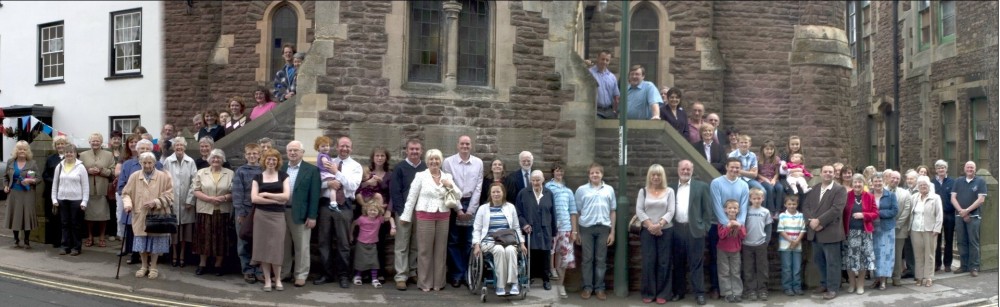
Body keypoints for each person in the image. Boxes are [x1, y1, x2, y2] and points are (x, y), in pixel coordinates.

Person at [400, 149, 460, 292]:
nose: (434, 162)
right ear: (427, 162)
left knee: (440, 251)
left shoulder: (447, 176)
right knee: (425, 251)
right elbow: (411, 198)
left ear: (441, 161)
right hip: (424, 216)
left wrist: (449, 185)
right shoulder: (420, 176)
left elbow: (458, 195)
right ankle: (425, 283)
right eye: (431, 159)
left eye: (437, 159)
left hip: (443, 216)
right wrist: (406, 216)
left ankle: (438, 283)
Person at [314, 136, 363, 289]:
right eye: (342, 146)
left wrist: (337, 173)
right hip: (326, 204)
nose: (344, 148)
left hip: (344, 205)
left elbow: (353, 186)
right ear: (336, 147)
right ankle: (327, 274)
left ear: (351, 148)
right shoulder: (326, 160)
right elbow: (317, 182)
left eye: (347, 146)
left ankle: (343, 275)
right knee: (323, 241)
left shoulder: (356, 166)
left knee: (343, 242)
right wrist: (328, 183)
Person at [122, 152, 174, 280]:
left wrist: (155, 202)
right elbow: (126, 193)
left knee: (155, 242)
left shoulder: (163, 176)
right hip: (140, 214)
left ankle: (154, 267)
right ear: (140, 163)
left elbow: (170, 196)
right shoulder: (134, 176)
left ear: (154, 163)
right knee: (141, 242)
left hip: (157, 215)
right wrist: (128, 204)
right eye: (144, 163)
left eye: (150, 162)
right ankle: (144, 266)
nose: (147, 165)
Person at [668, 160, 713, 305]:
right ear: (678, 170)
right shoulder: (670, 188)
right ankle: (679, 292)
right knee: (678, 263)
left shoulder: (701, 187)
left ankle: (699, 293)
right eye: (683, 169)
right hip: (676, 229)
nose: (685, 171)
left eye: (688, 169)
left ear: (692, 170)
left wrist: (704, 228)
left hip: (695, 230)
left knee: (696, 263)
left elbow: (708, 211)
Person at [441, 135, 483, 288]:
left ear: (471, 146)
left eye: (467, 144)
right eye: (462, 144)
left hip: (471, 202)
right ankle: (456, 274)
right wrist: (459, 209)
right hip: (453, 203)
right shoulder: (448, 162)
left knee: (468, 241)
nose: (465, 146)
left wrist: (471, 209)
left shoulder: (478, 163)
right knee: (453, 240)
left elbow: (479, 187)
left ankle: (467, 273)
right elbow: (449, 185)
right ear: (457, 145)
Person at [472, 183, 527, 296]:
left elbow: (516, 227)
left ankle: (514, 283)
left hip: (508, 241)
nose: (496, 194)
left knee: (511, 250)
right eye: (494, 192)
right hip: (489, 241)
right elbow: (477, 229)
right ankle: (500, 285)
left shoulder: (510, 207)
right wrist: (476, 244)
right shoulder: (483, 209)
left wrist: (522, 243)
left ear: (503, 193)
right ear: (490, 194)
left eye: (498, 192)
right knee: (499, 250)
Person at [802, 165, 848, 300]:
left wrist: (820, 222)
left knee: (832, 262)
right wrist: (811, 222)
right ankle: (824, 284)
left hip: (831, 232)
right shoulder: (814, 189)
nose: (828, 174)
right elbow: (806, 206)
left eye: (830, 172)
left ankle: (833, 288)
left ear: (834, 174)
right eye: (825, 172)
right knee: (819, 260)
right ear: (821, 174)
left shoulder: (839, 190)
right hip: (815, 232)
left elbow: (836, 209)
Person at [280, 141, 321, 287]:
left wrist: (312, 216)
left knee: (302, 246)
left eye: (296, 150)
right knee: (283, 246)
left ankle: (301, 275)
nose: (292, 153)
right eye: (290, 150)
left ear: (302, 152)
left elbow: (314, 195)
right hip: (281, 213)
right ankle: (284, 273)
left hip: (301, 214)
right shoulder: (281, 168)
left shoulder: (311, 170)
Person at [574, 162, 616, 301]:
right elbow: (577, 212)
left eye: (597, 172)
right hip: (586, 228)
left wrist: (612, 232)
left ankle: (599, 288)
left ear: (602, 174)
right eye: (592, 173)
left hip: (603, 228)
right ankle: (587, 287)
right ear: (589, 175)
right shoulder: (581, 190)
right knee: (587, 259)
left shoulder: (609, 190)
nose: (594, 175)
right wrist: (578, 232)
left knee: (601, 260)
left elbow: (612, 211)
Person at [708, 158, 749, 299]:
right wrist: (727, 223)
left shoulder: (744, 185)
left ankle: (736, 292)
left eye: (737, 168)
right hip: (719, 225)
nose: (734, 170)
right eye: (732, 167)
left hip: (737, 226)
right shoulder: (716, 183)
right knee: (718, 261)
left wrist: (739, 223)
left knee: (735, 265)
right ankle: (720, 290)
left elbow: (743, 206)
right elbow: (717, 205)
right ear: (726, 167)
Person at [635, 164, 675, 304]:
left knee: (664, 262)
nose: (656, 177)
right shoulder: (643, 191)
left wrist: (659, 225)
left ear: (662, 176)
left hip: (666, 230)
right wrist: (651, 226)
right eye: (653, 174)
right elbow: (639, 210)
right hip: (647, 231)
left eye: (658, 174)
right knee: (649, 261)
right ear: (649, 176)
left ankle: (663, 293)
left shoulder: (669, 191)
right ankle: (648, 292)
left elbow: (671, 211)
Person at [251, 148, 290, 292]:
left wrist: (266, 194)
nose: (271, 162)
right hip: (261, 216)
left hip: (278, 217)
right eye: (269, 159)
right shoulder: (257, 177)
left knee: (276, 248)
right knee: (263, 248)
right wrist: (275, 201)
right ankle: (267, 280)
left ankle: (278, 279)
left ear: (278, 161)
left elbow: (286, 197)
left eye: (274, 159)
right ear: (264, 160)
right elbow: (254, 198)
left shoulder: (283, 176)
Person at [190, 149, 234, 276]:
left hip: (223, 210)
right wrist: (210, 199)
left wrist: (224, 198)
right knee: (203, 238)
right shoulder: (201, 172)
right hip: (205, 210)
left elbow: (234, 191)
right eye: (213, 158)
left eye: (218, 158)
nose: (216, 160)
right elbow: (196, 190)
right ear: (209, 160)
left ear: (222, 160)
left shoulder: (230, 173)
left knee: (221, 238)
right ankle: (202, 264)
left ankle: (218, 265)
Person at [118, 138, 162, 263]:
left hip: (152, 205)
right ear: (136, 150)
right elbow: (121, 186)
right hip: (133, 204)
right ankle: (134, 255)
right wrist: (129, 201)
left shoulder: (158, 165)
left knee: (149, 232)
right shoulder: (127, 164)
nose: (144, 151)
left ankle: (149, 258)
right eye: (141, 148)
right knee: (134, 231)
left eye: (147, 149)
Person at [390, 139, 426, 290]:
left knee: (416, 245)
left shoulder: (426, 167)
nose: (414, 152)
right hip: (404, 212)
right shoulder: (400, 168)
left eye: (417, 149)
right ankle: (400, 276)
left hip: (421, 212)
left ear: (421, 151)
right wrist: (401, 212)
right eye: (412, 149)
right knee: (402, 245)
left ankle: (412, 271)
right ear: (407, 150)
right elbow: (395, 192)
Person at [515, 170, 556, 291]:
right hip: (530, 230)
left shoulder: (549, 193)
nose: (535, 182)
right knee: (530, 254)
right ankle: (529, 277)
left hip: (545, 229)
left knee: (545, 255)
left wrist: (554, 232)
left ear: (543, 180)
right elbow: (518, 212)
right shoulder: (523, 193)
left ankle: (546, 279)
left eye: (538, 180)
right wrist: (524, 224)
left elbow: (553, 214)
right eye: (533, 180)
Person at [357, 146, 391, 282]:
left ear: (386, 158)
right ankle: (363, 272)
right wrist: (367, 183)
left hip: (381, 214)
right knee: (363, 244)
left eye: (382, 155)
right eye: (377, 155)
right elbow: (356, 189)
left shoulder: (390, 174)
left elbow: (392, 194)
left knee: (379, 244)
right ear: (373, 157)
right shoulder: (366, 173)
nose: (380, 158)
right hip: (366, 214)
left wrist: (388, 210)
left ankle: (379, 272)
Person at [544, 164, 578, 299]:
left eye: (561, 170)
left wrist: (574, 231)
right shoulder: (547, 187)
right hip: (551, 227)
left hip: (565, 228)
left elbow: (573, 212)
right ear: (553, 172)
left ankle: (560, 286)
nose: (559, 172)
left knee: (563, 259)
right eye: (557, 170)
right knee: (549, 256)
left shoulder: (568, 191)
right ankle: (549, 287)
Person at [162, 137, 197, 268]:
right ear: (173, 147)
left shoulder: (190, 161)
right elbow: (164, 181)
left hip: (186, 203)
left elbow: (195, 182)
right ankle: (174, 253)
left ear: (185, 147)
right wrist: (168, 199)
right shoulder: (168, 161)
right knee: (174, 229)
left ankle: (182, 254)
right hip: (172, 201)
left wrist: (190, 200)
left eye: (181, 145)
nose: (179, 147)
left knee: (185, 230)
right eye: (177, 145)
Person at [841, 174, 877, 295]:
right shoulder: (846, 196)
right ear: (852, 184)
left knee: (863, 260)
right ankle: (852, 284)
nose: (857, 185)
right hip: (849, 234)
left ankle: (860, 285)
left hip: (864, 234)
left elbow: (875, 213)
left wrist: (864, 215)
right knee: (849, 260)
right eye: (855, 182)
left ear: (863, 184)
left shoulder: (869, 197)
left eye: (860, 182)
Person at [232, 143, 263, 283]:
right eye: (249, 154)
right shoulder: (240, 171)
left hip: (261, 211)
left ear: (259, 154)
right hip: (244, 212)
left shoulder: (264, 170)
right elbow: (237, 193)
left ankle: (259, 270)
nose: (252, 156)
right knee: (243, 242)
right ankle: (247, 270)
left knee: (259, 242)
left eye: (255, 153)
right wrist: (240, 213)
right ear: (245, 155)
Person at [52, 143, 89, 256]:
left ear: (75, 154)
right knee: (64, 224)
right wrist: (54, 199)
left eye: (71, 152)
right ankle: (65, 246)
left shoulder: (81, 167)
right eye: (67, 152)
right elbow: (55, 184)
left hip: (76, 200)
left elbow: (85, 186)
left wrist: (84, 201)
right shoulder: (60, 166)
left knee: (75, 224)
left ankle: (76, 247)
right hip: (62, 199)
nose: (69, 154)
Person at [951, 161, 986, 277]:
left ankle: (974, 267)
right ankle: (963, 266)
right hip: (959, 216)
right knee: (961, 242)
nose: (970, 169)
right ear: (964, 168)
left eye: (972, 167)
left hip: (974, 216)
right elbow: (953, 198)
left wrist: (967, 211)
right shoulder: (958, 181)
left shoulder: (980, 181)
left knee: (973, 242)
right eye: (968, 167)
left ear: (975, 169)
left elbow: (981, 200)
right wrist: (962, 211)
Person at [80, 133, 115, 248]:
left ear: (101, 142)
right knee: (89, 214)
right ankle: (90, 237)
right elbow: (78, 170)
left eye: (97, 141)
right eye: (93, 141)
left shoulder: (109, 155)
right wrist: (87, 171)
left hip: (102, 189)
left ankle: (101, 237)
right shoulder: (83, 155)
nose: (95, 143)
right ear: (89, 142)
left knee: (103, 215)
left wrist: (101, 171)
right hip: (88, 188)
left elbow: (113, 171)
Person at [352, 198, 396, 288]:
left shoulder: (379, 219)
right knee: (360, 261)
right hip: (361, 243)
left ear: (379, 211)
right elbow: (353, 224)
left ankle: (374, 278)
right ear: (366, 210)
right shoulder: (362, 219)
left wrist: (393, 227)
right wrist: (350, 235)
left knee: (374, 262)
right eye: (370, 210)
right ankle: (357, 276)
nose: (372, 212)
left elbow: (390, 218)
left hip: (372, 244)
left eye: (375, 210)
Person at [5, 141, 40, 249]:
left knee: (26, 216)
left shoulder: (32, 163)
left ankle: (26, 240)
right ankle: (16, 239)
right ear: (16, 150)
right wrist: (6, 186)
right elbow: (5, 177)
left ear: (27, 151)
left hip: (27, 193)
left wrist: (30, 181)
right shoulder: (10, 162)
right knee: (15, 215)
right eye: (20, 149)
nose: (22, 151)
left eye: (24, 149)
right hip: (13, 193)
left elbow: (39, 179)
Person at [910, 176, 943, 287]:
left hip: (930, 230)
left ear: (929, 186)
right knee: (918, 255)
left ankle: (928, 277)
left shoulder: (935, 197)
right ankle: (919, 277)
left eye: (925, 185)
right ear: (918, 187)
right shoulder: (914, 197)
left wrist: (937, 229)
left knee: (929, 254)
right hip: (915, 229)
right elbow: (911, 213)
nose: (923, 187)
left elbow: (939, 214)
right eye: (920, 185)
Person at [742, 188, 772, 301]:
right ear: (750, 199)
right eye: (754, 198)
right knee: (748, 269)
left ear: (763, 198)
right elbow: (741, 226)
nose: (757, 200)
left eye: (759, 198)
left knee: (762, 268)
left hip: (761, 244)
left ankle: (763, 290)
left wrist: (766, 241)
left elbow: (768, 228)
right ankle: (751, 290)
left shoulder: (765, 211)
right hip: (747, 244)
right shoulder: (746, 211)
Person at [871, 172, 899, 290]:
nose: (878, 183)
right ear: (872, 183)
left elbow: (894, 211)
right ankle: (877, 279)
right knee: (875, 255)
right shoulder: (868, 195)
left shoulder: (890, 195)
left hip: (887, 228)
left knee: (886, 255)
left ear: (884, 182)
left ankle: (884, 280)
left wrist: (878, 213)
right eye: (875, 181)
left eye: (880, 181)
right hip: (872, 229)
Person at [718, 199, 747, 303]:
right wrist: (728, 227)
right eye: (729, 208)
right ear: (725, 210)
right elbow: (721, 235)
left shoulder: (740, 222)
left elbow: (743, 236)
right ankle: (727, 293)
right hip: (722, 250)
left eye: (735, 208)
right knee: (724, 272)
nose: (732, 210)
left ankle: (737, 293)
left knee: (735, 272)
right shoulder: (722, 221)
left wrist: (739, 227)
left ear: (738, 210)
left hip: (735, 250)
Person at [43, 136, 69, 248]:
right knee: (54, 216)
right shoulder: (51, 158)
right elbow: (45, 174)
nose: (60, 146)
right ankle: (56, 240)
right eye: (58, 144)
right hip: (52, 191)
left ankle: (66, 240)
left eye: (62, 144)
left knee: (66, 217)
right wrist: (54, 181)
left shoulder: (71, 157)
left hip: (67, 191)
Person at [888, 170, 913, 286]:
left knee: (898, 255)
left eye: (897, 178)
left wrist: (897, 225)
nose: (895, 180)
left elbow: (907, 211)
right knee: (884, 253)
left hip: (899, 229)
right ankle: (882, 277)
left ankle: (896, 277)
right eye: (893, 178)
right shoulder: (881, 191)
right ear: (888, 178)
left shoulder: (905, 193)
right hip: (883, 229)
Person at [778, 195, 806, 296]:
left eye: (794, 204)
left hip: (797, 245)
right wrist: (791, 241)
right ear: (785, 204)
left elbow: (803, 230)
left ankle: (797, 287)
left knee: (797, 267)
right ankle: (787, 287)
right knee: (787, 267)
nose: (791, 206)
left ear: (797, 204)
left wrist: (796, 241)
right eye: (789, 204)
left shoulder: (801, 216)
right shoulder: (782, 216)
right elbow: (781, 230)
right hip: (785, 245)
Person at [930, 160, 954, 273]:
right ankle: (937, 263)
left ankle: (948, 264)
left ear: (946, 169)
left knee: (949, 240)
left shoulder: (952, 182)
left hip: (949, 214)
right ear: (936, 170)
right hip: (936, 216)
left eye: (943, 167)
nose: (941, 170)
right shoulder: (931, 183)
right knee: (936, 241)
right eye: (939, 168)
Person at [587, 50, 620, 119]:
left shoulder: (612, 77)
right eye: (602, 59)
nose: (604, 62)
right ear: (598, 58)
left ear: (609, 61)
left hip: (610, 112)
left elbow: (616, 97)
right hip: (595, 111)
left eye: (607, 60)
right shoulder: (589, 73)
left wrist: (614, 111)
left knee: (614, 129)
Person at [756, 140, 784, 214]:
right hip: (762, 179)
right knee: (769, 188)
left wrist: (774, 180)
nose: (769, 151)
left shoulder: (776, 159)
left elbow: (777, 173)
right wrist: (765, 179)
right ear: (763, 150)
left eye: (771, 149)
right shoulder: (758, 159)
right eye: (767, 149)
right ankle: (771, 210)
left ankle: (778, 210)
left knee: (780, 188)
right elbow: (756, 173)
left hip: (773, 179)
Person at [314, 136, 341, 210]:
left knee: (324, 189)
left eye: (327, 145)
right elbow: (326, 162)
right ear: (318, 148)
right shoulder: (323, 156)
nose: (326, 147)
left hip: (323, 174)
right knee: (333, 188)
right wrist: (331, 165)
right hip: (325, 174)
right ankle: (333, 203)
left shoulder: (324, 155)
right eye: (323, 146)